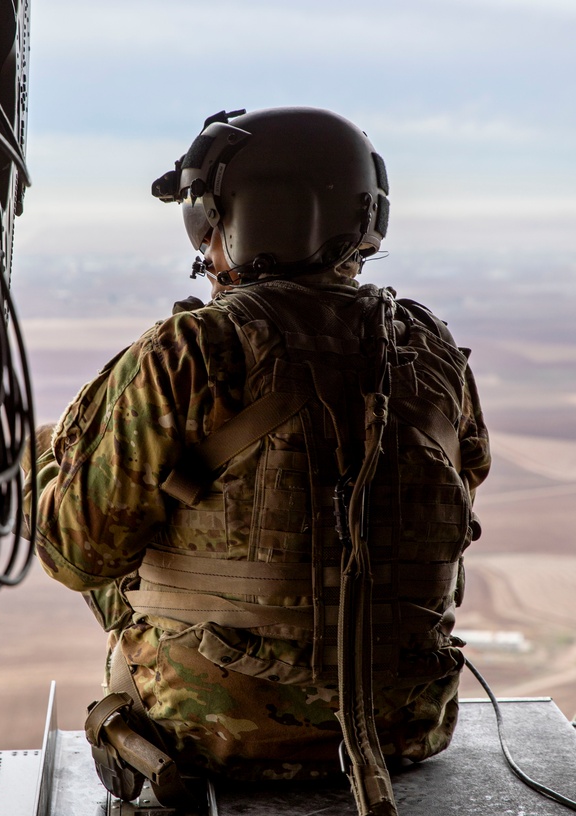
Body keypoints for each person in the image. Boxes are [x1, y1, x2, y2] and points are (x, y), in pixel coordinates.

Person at [24, 107, 491, 802]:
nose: (204, 244)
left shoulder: (189, 351)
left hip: (217, 735)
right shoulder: (430, 351)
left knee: (55, 466)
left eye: (206, 218)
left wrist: (48, 459)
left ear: (246, 216)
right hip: (406, 729)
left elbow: (75, 554)